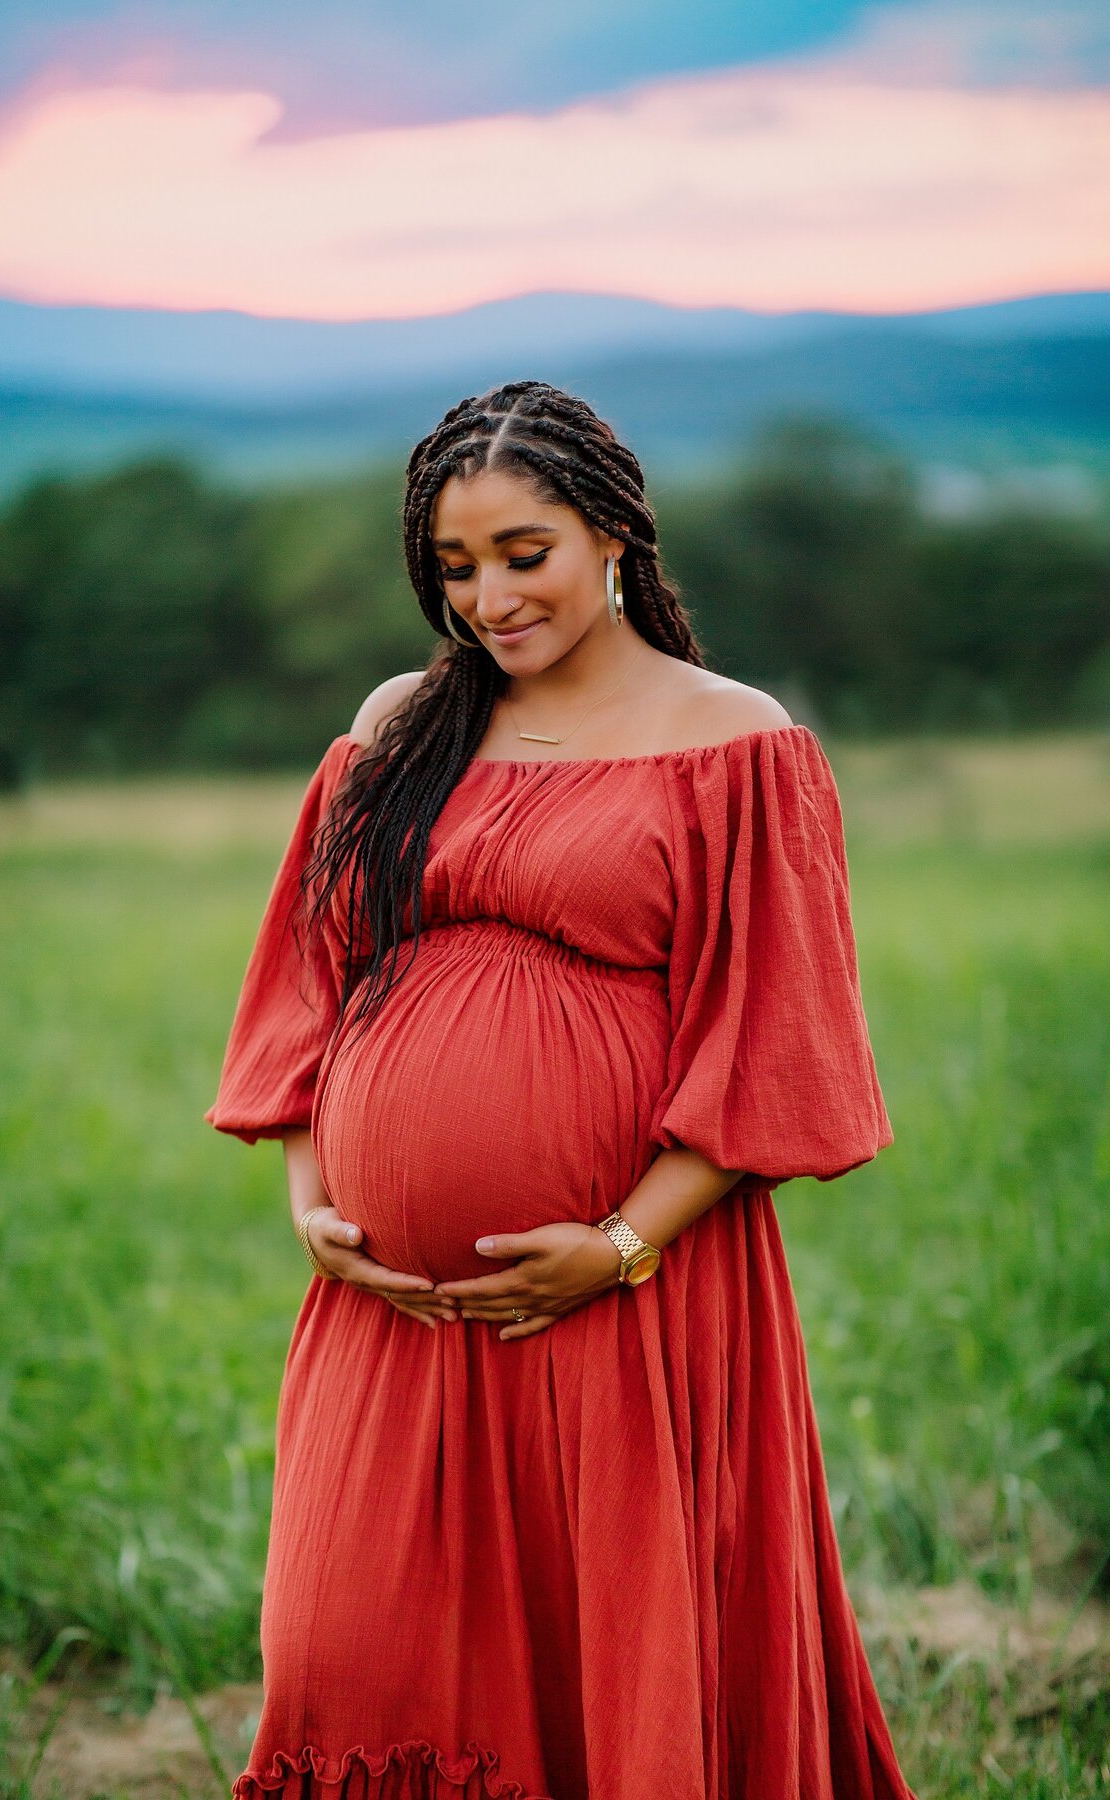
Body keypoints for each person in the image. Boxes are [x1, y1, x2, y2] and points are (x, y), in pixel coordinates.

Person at [206, 379, 918, 1799]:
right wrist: (314, 1201)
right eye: (456, 567)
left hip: (628, 1307)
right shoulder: (400, 723)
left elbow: (772, 1043)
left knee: (610, 1663)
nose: (488, 598)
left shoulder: (735, 740)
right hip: (390, 1316)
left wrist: (618, 1247)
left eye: (521, 554)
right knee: (341, 1648)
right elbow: (310, 976)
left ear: (612, 534)